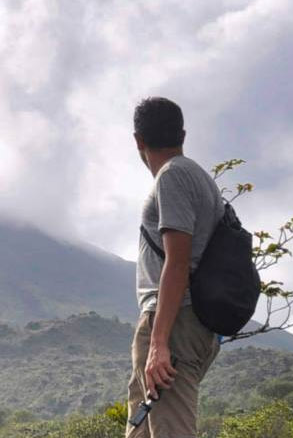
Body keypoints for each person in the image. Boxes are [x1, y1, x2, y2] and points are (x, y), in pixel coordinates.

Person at [125, 97, 224, 437]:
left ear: (138, 140)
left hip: (174, 322)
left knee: (171, 430)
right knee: (140, 429)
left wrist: (159, 342)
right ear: (182, 134)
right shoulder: (199, 178)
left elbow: (178, 262)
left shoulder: (173, 177)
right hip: (184, 322)